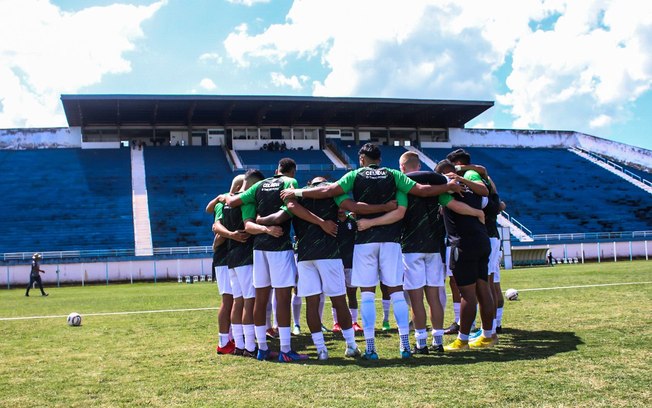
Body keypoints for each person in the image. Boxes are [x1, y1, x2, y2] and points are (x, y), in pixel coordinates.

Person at [280, 143, 464, 360]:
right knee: (396, 292)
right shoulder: (394, 175)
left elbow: (330, 191)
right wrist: (448, 186)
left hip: (365, 240)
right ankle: (404, 345)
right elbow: (422, 190)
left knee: (367, 294)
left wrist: (297, 191)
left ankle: (370, 348)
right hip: (392, 242)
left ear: (362, 159)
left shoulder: (355, 174)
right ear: (380, 158)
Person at [223, 158, 305, 362]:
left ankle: (262, 349)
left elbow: (233, 202)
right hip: (279, 246)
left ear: (276, 169)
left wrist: (224, 197)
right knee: (283, 298)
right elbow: (289, 210)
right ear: (291, 172)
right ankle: (286, 350)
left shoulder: (259, 185)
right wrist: (270, 222)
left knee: (260, 299)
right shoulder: (289, 183)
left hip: (258, 249)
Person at [436, 159, 495, 350]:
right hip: (482, 240)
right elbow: (488, 193)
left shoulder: (445, 189)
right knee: (483, 288)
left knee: (467, 294)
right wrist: (478, 212)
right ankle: (488, 335)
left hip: (462, 244)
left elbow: (455, 206)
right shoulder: (473, 188)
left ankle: (462, 340)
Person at [212, 169, 265, 357]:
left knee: (237, 301)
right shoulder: (247, 201)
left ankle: (239, 344)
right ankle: (250, 347)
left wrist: (228, 236)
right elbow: (249, 226)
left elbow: (215, 226)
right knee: (249, 302)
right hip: (244, 256)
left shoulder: (224, 201)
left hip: (231, 257)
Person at [206, 174, 245, 355]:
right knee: (228, 300)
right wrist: (231, 235)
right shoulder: (225, 204)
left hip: (229, 257)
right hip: (224, 258)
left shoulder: (229, 202)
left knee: (236, 299)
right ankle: (223, 342)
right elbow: (217, 227)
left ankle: (232, 337)